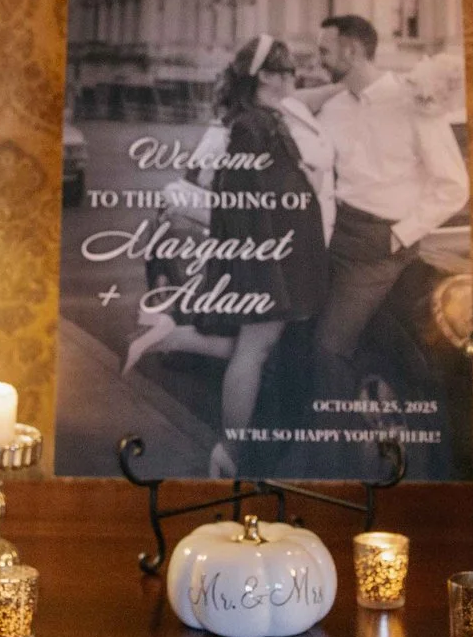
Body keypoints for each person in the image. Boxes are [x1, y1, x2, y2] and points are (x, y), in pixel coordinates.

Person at [122, 36, 333, 474]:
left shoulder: (265, 118)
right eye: (286, 70)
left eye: (291, 70)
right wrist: (268, 267)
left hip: (285, 255)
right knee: (252, 354)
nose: (293, 77)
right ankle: (230, 451)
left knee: (257, 345)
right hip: (273, 260)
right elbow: (243, 205)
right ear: (264, 77)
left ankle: (169, 337)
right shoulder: (251, 127)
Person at [310, 14, 468, 402]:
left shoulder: (413, 102)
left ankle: (338, 439)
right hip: (335, 233)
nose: (318, 60)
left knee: (329, 347)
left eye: (324, 51)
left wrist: (400, 235)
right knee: (300, 330)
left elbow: (453, 185)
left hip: (379, 246)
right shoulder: (333, 107)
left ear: (351, 50)